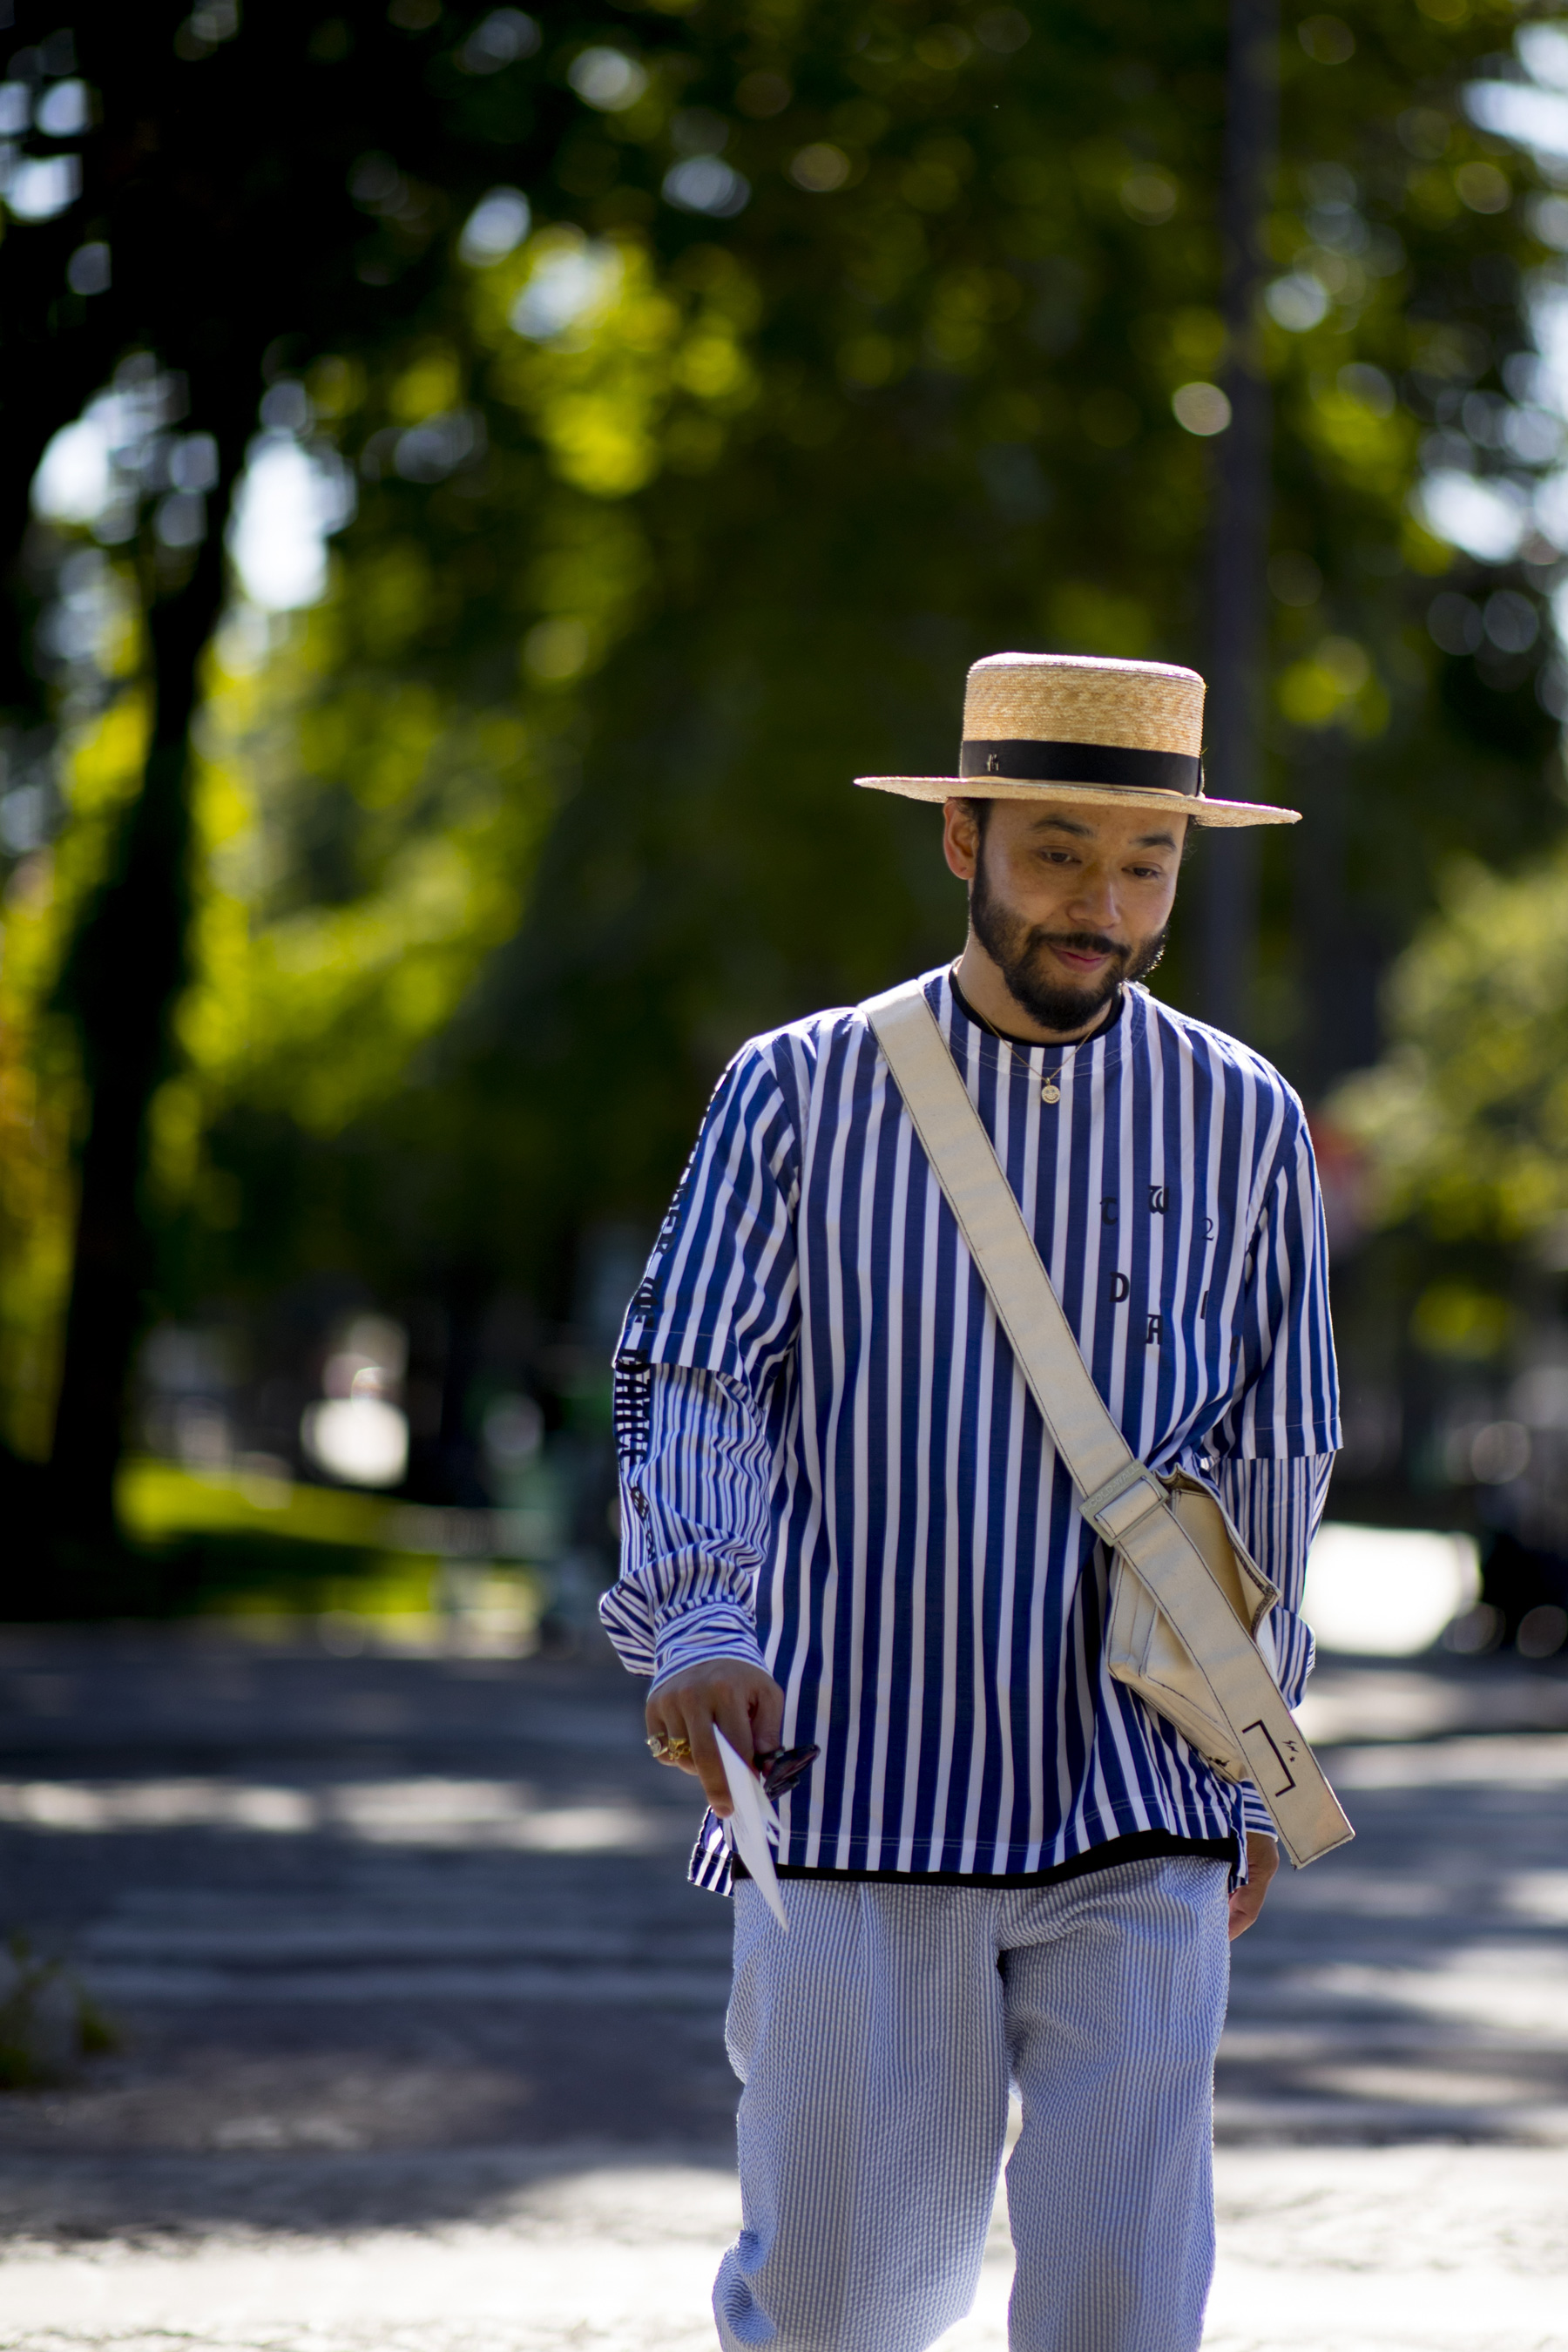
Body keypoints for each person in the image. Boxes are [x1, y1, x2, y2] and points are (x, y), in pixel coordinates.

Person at [599, 652, 1338, 2352]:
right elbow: (700, 1371)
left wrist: (1261, 1739)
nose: (1105, 899)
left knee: (1120, 2303)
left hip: (1138, 1805)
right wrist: (705, 1618)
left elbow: (1276, 1444)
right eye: (1060, 850)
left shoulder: (1246, 1121)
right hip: (850, 1801)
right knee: (841, 2304)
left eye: (1146, 860)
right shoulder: (797, 1091)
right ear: (965, 843)